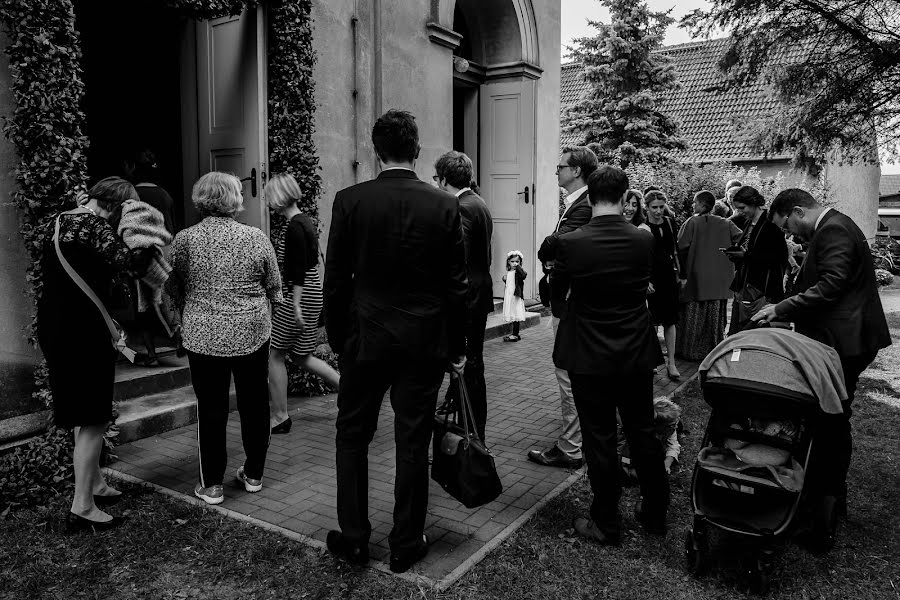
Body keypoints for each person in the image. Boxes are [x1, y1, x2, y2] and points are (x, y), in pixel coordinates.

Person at [323, 110, 468, 574]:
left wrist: (339, 339)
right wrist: (457, 346)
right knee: (412, 439)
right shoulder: (445, 206)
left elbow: (336, 279)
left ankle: (355, 538)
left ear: (375, 150)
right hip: (422, 344)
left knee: (352, 437)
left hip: (364, 341)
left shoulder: (350, 200)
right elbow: (456, 286)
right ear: (417, 150)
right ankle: (406, 541)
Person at [751, 188, 891, 552]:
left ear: (798, 210)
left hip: (846, 342)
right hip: (844, 338)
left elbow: (831, 285)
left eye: (789, 227)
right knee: (831, 417)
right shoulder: (835, 226)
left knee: (830, 420)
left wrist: (782, 309)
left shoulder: (833, 230)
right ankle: (828, 498)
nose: (792, 236)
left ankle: (823, 510)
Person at [552, 165, 669, 545]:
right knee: (642, 431)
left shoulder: (572, 242)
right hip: (634, 350)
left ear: (588, 196)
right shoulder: (644, 240)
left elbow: (558, 297)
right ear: (624, 197)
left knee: (598, 437)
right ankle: (655, 513)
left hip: (589, 353)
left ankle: (606, 520)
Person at [37, 177, 155, 531]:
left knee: (82, 414)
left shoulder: (61, 220)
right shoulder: (94, 226)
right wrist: (150, 242)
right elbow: (131, 263)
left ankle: (96, 484)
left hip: (56, 324)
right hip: (82, 330)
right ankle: (82, 506)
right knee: (92, 417)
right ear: (117, 207)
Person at [167, 171, 282, 506]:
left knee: (212, 407)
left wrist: (178, 318)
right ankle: (254, 474)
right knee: (255, 403)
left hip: (204, 335)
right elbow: (274, 287)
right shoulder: (256, 237)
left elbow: (172, 287)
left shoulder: (185, 239)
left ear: (201, 199)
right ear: (234, 200)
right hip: (251, 331)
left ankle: (213, 484)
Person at [528, 145, 598, 470]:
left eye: (561, 166)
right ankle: (576, 436)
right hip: (566, 298)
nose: (557, 171)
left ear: (577, 171)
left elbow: (558, 245)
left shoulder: (584, 206)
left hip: (570, 303)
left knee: (567, 371)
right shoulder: (576, 203)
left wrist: (549, 248)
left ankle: (570, 447)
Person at [266, 173, 339, 435]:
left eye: (268, 196)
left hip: (298, 296)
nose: (267, 201)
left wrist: (294, 305)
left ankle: (280, 417)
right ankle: (349, 393)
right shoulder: (305, 221)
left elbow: (297, 270)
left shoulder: (295, 226)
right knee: (301, 355)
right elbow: (312, 264)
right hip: (310, 293)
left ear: (278, 196)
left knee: (274, 354)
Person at [434, 151, 493, 440]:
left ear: (444, 179)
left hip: (467, 299)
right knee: (472, 364)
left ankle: (473, 432)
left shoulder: (461, 207)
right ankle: (469, 426)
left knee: (469, 366)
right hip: (479, 295)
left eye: (436, 178)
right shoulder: (478, 202)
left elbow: (461, 258)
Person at [122, 147, 177, 365]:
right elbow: (171, 230)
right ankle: (179, 336)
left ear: (133, 167)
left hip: (139, 257)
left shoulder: (130, 195)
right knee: (167, 300)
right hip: (163, 253)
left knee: (142, 305)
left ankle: (152, 354)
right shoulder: (164, 195)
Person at [676, 191, 743, 361]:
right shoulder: (725, 223)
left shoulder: (692, 222)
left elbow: (681, 246)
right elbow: (742, 237)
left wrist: (682, 272)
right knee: (714, 318)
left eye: (694, 202)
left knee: (694, 316)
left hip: (697, 277)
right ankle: (711, 351)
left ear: (703, 205)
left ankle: (690, 351)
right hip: (719, 278)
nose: (693, 205)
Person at [725, 186, 787, 335]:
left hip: (760, 289)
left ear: (753, 203)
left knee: (753, 332)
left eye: (742, 207)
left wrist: (744, 256)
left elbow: (775, 258)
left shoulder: (770, 226)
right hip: (745, 286)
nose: (740, 211)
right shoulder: (748, 223)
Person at [639, 190, 683, 380]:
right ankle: (653, 360)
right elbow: (640, 256)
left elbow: (675, 249)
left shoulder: (670, 222)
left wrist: (682, 273)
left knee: (670, 320)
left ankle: (671, 362)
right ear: (646, 207)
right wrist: (645, 279)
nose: (658, 211)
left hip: (667, 276)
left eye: (661, 207)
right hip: (651, 276)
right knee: (652, 321)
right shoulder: (642, 226)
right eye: (654, 207)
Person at [619, 398, 682, 484]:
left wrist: (666, 463)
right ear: (655, 425)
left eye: (676, 422)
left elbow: (673, 445)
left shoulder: (670, 430)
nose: (675, 427)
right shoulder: (636, 436)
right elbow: (625, 459)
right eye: (672, 425)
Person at [502, 250, 527, 342]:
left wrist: (519, 268)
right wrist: (504, 279)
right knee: (513, 314)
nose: (515, 263)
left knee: (516, 314)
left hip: (515, 296)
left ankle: (515, 335)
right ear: (508, 262)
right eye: (512, 261)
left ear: (520, 262)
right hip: (510, 296)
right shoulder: (510, 272)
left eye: (517, 261)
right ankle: (514, 333)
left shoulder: (518, 272)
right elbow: (510, 284)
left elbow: (524, 275)